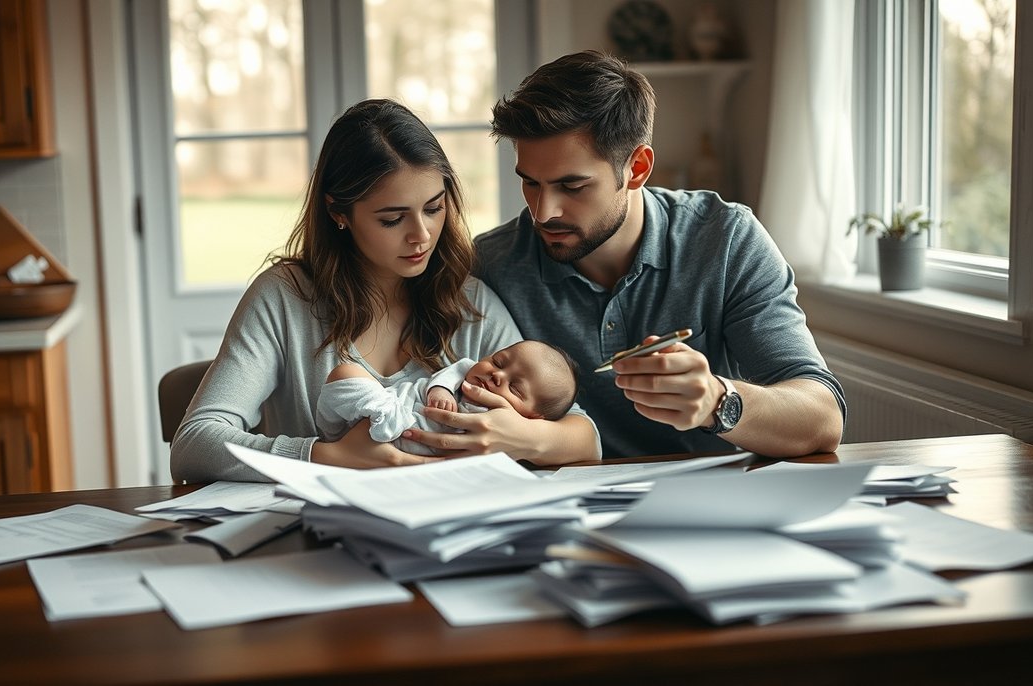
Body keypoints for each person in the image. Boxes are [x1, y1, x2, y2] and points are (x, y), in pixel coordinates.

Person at [406, 50, 845, 460]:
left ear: (636, 169)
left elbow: (823, 418)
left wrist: (718, 400)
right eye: (531, 182)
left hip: (707, 510)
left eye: (572, 186)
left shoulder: (725, 240)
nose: (543, 211)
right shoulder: (491, 263)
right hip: (555, 511)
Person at [170, 99, 600, 483]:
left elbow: (584, 440)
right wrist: (324, 456)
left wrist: (520, 435)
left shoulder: (470, 302)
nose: (422, 236)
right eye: (392, 219)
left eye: (433, 208)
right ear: (339, 212)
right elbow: (193, 445)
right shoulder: (285, 298)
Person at [316, 339, 579, 456]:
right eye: (498, 361)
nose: (497, 375)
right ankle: (385, 415)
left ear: (531, 417)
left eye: (516, 388)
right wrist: (439, 390)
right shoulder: (465, 373)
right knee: (345, 372)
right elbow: (449, 374)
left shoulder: (505, 429)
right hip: (376, 415)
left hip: (404, 464)